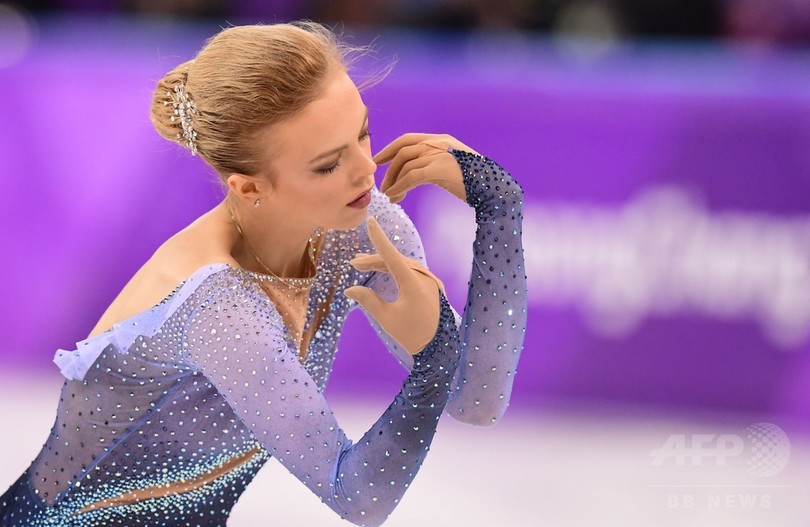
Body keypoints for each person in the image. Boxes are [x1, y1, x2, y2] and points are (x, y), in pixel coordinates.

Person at [0, 22, 526, 527]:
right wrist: (432, 356)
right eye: (327, 165)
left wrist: (499, 210)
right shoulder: (217, 302)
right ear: (249, 188)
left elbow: (475, 401)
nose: (367, 171)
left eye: (363, 133)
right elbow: (357, 496)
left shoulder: (358, 227)